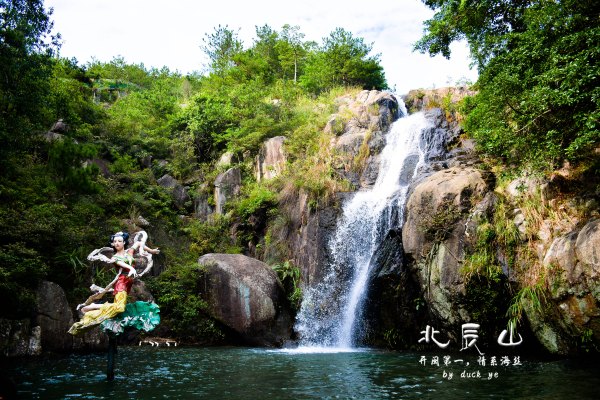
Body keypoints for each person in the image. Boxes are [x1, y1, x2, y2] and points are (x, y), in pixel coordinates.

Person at [68, 231, 159, 335]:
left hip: (129, 283)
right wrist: (130, 268)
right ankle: (92, 307)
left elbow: (139, 243)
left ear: (124, 242)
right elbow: (121, 264)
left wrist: (151, 250)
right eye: (115, 241)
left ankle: (94, 307)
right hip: (122, 283)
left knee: (118, 308)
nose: (117, 243)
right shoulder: (115, 258)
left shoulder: (130, 251)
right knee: (119, 308)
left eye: (119, 241)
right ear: (112, 243)